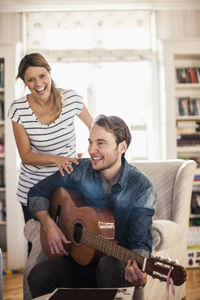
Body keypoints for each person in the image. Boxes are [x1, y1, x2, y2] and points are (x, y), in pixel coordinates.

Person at [27, 114, 157, 299]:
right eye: (90, 142)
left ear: (122, 147)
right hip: (76, 260)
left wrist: (140, 272)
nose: (91, 150)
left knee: (107, 265)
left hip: (113, 265)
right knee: (38, 276)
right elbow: (36, 192)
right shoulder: (77, 169)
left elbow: (140, 242)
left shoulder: (142, 188)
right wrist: (50, 225)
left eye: (100, 143)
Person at [8, 53, 93, 226]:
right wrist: (57, 159)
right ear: (25, 82)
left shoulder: (70, 99)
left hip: (67, 187)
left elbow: (95, 128)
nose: (38, 84)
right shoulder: (18, 110)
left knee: (71, 244)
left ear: (49, 72)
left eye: (42, 76)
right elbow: (25, 155)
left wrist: (93, 152)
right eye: (30, 80)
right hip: (33, 188)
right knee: (38, 245)